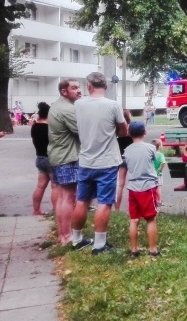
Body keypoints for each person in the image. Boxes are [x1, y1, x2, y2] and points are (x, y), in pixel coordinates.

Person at [72, 72, 128, 255]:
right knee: (104, 202)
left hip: (85, 160)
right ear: (106, 86)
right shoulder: (113, 105)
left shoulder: (78, 104)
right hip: (107, 162)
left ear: (88, 86)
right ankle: (99, 244)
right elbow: (124, 131)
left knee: (82, 200)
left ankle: (76, 239)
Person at [115, 121, 161, 258]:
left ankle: (134, 250)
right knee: (150, 219)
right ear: (145, 132)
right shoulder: (150, 148)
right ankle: (153, 249)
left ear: (129, 134)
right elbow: (154, 159)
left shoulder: (127, 151)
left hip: (133, 188)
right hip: (148, 187)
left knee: (134, 220)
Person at [48, 78, 82, 246]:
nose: (79, 90)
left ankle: (62, 235)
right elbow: (82, 130)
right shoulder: (67, 109)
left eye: (79, 87)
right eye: (74, 88)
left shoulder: (56, 105)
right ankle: (67, 236)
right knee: (68, 197)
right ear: (64, 91)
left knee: (62, 197)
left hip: (57, 156)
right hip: (67, 157)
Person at [30, 102, 54, 215]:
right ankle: (56, 210)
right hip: (51, 159)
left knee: (40, 187)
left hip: (40, 157)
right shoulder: (49, 129)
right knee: (55, 187)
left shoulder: (34, 127)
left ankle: (36, 210)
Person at [150, 139, 166, 206]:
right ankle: (159, 200)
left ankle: (154, 200)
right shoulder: (160, 155)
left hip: (151, 173)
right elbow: (163, 163)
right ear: (159, 147)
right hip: (158, 174)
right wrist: (160, 170)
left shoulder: (150, 154)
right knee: (158, 187)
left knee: (153, 187)